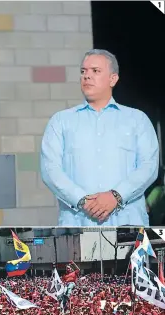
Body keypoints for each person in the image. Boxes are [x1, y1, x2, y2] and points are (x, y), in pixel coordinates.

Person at [40, 49, 159, 226]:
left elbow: (149, 167)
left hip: (129, 223)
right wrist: (82, 201)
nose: (87, 76)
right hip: (78, 223)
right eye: (83, 71)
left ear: (113, 79)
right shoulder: (61, 121)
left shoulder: (137, 120)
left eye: (95, 71)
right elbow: (50, 170)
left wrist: (116, 196)